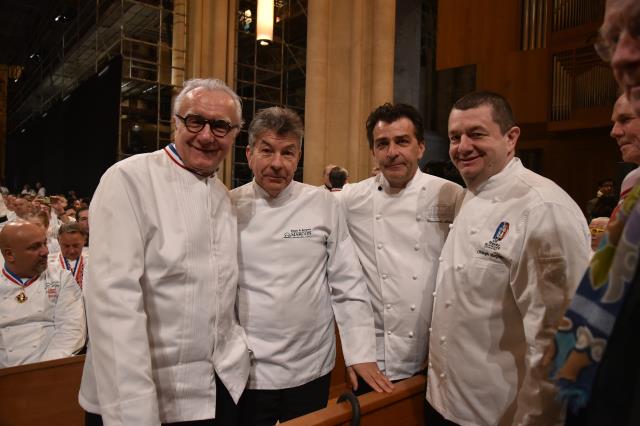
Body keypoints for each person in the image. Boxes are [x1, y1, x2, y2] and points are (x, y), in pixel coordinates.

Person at [78, 78, 251, 425]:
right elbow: (113, 304)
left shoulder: (222, 195)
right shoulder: (129, 178)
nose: (206, 135)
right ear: (175, 122)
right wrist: (133, 412)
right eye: (195, 120)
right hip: (142, 397)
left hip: (217, 393)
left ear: (234, 135)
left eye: (220, 126)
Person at [426, 91, 590, 425]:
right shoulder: (470, 195)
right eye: (455, 137)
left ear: (511, 137)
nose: (462, 146)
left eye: (477, 134)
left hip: (499, 413)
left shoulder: (543, 208)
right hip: (445, 401)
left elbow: (556, 341)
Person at [231, 107, 391, 426]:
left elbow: (348, 283)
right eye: (267, 150)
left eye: (288, 152)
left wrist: (361, 354)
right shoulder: (229, 206)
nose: (277, 163)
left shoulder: (322, 204)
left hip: (310, 365)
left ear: (298, 156)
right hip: (247, 369)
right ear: (249, 154)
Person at [338, 103, 464, 395]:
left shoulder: (451, 195)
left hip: (438, 356)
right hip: (378, 360)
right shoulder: (351, 199)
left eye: (402, 141)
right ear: (373, 152)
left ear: (420, 147)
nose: (392, 151)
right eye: (382, 144)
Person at [0, 220, 85, 367]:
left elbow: (71, 330)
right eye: (35, 247)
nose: (45, 251)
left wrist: (41, 371)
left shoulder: (61, 278)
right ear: (10, 254)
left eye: (44, 243)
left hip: (52, 369)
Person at [50, 222, 87, 288]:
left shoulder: (92, 263)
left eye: (76, 246)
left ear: (84, 240)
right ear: (58, 241)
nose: (71, 251)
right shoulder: (48, 265)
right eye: (66, 246)